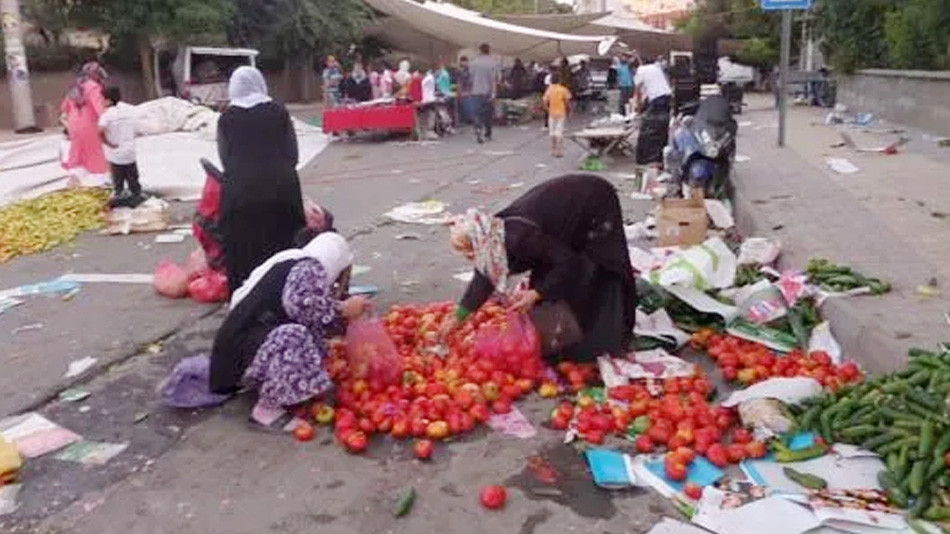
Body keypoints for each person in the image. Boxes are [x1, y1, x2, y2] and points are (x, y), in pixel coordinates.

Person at [441, 174, 638, 363]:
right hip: (562, 221)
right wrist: (458, 318)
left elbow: (568, 262)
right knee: (551, 286)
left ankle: (602, 341)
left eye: (471, 253)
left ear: (480, 243)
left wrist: (537, 292)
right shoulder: (493, 239)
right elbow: (483, 279)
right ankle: (569, 340)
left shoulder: (519, 237)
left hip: (593, 203)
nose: (471, 259)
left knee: (594, 273)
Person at [209, 232, 369, 429]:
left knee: (307, 338)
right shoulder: (309, 268)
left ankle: (275, 385)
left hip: (248, 344)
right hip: (242, 350)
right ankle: (267, 411)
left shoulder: (298, 263)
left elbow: (307, 315)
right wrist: (342, 309)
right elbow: (300, 306)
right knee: (295, 336)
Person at [217, 66, 305, 294]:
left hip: (240, 192)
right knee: (284, 244)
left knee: (243, 248)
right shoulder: (279, 112)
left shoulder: (227, 118)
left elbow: (225, 159)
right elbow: (293, 155)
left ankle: (246, 302)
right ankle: (289, 297)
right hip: (281, 189)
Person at [61, 61, 109, 182]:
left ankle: (73, 185)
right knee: (96, 157)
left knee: (78, 158)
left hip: (74, 127)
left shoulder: (75, 87)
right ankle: (103, 186)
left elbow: (64, 109)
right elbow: (99, 109)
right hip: (90, 126)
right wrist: (108, 122)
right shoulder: (93, 87)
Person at [98, 87, 142, 208]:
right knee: (133, 180)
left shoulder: (107, 115)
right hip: (130, 152)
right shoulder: (128, 111)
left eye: (102, 99)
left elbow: (100, 131)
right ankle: (137, 199)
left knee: (118, 181)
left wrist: (107, 143)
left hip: (116, 154)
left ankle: (120, 201)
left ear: (108, 101)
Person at [633, 56, 673, 165]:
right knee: (661, 128)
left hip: (658, 101)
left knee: (650, 130)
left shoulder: (640, 71)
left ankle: (648, 160)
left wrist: (637, 107)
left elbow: (637, 92)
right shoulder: (655, 68)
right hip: (667, 98)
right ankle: (659, 158)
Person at [470, 43, 498, 144]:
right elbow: (494, 79)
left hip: (476, 92)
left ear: (480, 50)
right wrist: (494, 93)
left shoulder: (474, 63)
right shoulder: (493, 63)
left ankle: (478, 129)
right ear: (489, 50)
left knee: (477, 113)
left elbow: (471, 78)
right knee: (488, 114)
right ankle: (488, 133)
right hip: (488, 93)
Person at [542, 72, 572, 158]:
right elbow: (567, 101)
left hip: (551, 113)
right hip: (561, 113)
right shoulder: (563, 89)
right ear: (560, 80)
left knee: (552, 132)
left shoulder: (549, 90)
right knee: (559, 132)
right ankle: (559, 151)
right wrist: (569, 110)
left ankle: (553, 150)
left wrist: (547, 109)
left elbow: (544, 101)